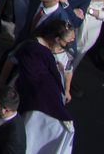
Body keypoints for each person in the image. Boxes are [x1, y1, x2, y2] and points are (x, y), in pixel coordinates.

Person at [13, 18, 75, 154]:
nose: (69, 45)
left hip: (48, 94)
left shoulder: (67, 56)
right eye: (66, 42)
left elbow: (68, 72)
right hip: (31, 93)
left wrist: (67, 90)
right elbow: (12, 60)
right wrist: (1, 81)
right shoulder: (33, 46)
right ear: (57, 39)